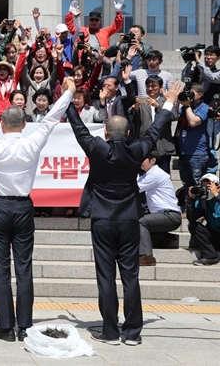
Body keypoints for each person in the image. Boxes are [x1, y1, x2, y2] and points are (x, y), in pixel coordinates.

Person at [0, 78, 76, 342]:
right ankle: (25, 326)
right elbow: (52, 118)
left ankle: (6, 327)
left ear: (1, 124)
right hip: (22, 207)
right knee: (24, 268)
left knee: (1, 269)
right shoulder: (32, 141)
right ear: (25, 124)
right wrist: (69, 93)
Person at [66, 80, 181, 346]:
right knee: (130, 277)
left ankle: (109, 331)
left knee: (106, 277)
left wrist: (69, 96)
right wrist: (169, 102)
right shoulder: (137, 150)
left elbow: (78, 128)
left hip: (103, 220)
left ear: (106, 132)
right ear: (128, 133)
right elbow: (154, 131)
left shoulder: (96, 148)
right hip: (130, 220)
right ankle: (132, 332)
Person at [137, 151, 182, 266]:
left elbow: (134, 188)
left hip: (170, 215)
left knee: (141, 223)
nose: (140, 162)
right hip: (163, 215)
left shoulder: (155, 174)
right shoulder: (147, 175)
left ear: (153, 160)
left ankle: (147, 256)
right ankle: (165, 238)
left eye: (143, 159)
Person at [186, 173, 220, 266]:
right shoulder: (203, 201)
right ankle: (210, 256)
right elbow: (192, 218)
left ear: (218, 187)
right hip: (215, 235)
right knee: (193, 226)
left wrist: (217, 195)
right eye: (203, 186)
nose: (205, 189)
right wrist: (190, 200)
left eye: (208, 186)